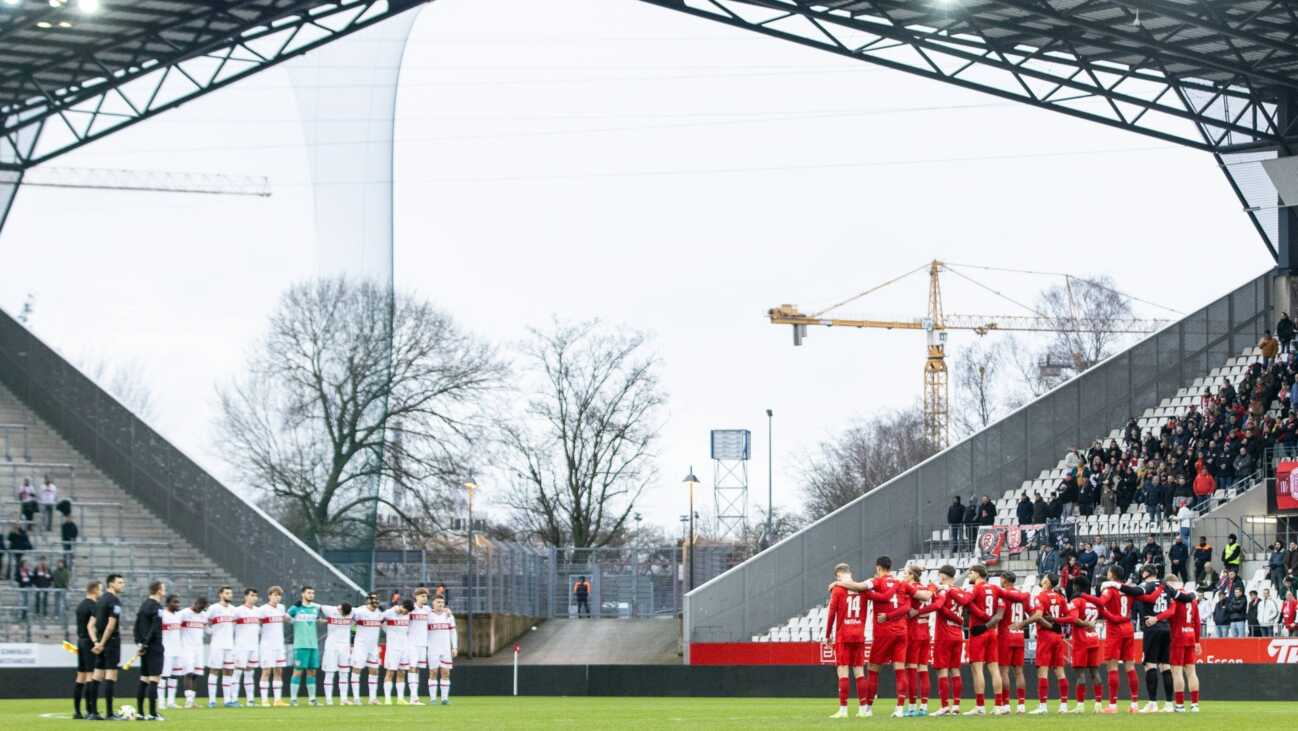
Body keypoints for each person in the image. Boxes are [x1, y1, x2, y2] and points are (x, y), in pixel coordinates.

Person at [829, 556, 918, 718]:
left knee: (869, 670)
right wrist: (938, 589)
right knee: (897, 670)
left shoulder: (872, 583)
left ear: (878, 568)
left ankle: (859, 708)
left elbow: (832, 613)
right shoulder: (901, 583)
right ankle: (898, 709)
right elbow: (919, 599)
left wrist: (837, 584)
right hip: (898, 631)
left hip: (874, 633)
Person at [1014, 573, 1081, 714]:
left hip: (1045, 636)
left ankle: (1043, 706)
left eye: (1044, 577)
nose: (1042, 579)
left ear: (1047, 582)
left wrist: (1022, 623)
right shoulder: (1060, 598)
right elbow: (1069, 616)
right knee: (1060, 671)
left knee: (1043, 671)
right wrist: (1057, 622)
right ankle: (1063, 705)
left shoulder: (1041, 597)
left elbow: (1038, 616)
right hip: (1058, 636)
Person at [1081, 565, 1141, 713]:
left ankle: (1113, 705)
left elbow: (1101, 602)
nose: (1106, 573)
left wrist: (1083, 595)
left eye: (1108, 571)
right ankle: (1134, 704)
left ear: (1112, 575)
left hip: (1115, 629)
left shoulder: (1109, 590)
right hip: (1128, 626)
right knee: (1130, 666)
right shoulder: (1128, 589)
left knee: (1112, 667)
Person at [951, 565, 1005, 716]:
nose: (969, 576)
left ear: (977, 574)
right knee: (994, 669)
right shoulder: (995, 588)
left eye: (971, 573)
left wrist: (952, 590)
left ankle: (980, 706)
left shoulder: (976, 589)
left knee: (977, 669)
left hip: (978, 632)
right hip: (992, 631)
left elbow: (965, 600)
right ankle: (998, 706)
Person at [1146, 575, 1200, 713]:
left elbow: (1171, 612)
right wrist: (1197, 641)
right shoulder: (1191, 598)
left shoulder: (1175, 597)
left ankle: (1180, 705)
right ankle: (1195, 705)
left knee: (1176, 672)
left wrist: (1156, 618)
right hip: (1190, 635)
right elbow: (1197, 621)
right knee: (1191, 672)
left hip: (1178, 637)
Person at [825, 562, 869, 719]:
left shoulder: (838, 590)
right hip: (859, 634)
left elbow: (831, 614)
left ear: (838, 575)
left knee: (843, 670)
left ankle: (843, 710)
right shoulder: (862, 589)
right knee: (859, 672)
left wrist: (827, 635)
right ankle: (863, 709)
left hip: (844, 635)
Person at [926, 565, 966, 717]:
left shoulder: (943, 590)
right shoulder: (959, 591)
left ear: (942, 576)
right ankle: (956, 705)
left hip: (944, 635)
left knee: (942, 670)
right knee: (955, 670)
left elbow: (938, 606)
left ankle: (944, 706)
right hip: (958, 634)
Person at [902, 566, 938, 717]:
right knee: (923, 670)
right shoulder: (927, 588)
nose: (904, 576)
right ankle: (923, 706)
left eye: (905, 574)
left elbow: (907, 611)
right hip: (925, 632)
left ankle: (911, 707)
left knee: (911, 669)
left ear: (911, 575)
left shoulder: (911, 590)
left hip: (913, 633)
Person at [995, 572, 1032, 714]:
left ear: (1004, 580)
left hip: (1005, 635)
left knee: (1003, 671)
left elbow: (1000, 614)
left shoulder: (1004, 595)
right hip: (1019, 635)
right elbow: (1033, 613)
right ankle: (1021, 705)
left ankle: (1006, 704)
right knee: (1019, 672)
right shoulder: (1022, 596)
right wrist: (1022, 623)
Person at [91, 573, 126, 720]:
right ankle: (110, 713)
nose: (122, 585)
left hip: (100, 642)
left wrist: (96, 643)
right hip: (110, 642)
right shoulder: (114, 601)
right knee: (111, 676)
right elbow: (111, 625)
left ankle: (93, 712)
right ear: (111, 584)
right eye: (120, 582)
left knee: (97, 676)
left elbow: (90, 625)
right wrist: (103, 643)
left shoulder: (99, 601)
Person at [1068, 577, 1106, 714]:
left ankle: (1080, 706)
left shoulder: (1076, 601)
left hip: (1081, 640)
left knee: (1081, 675)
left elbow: (1074, 619)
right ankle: (1098, 704)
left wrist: (1086, 624)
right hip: (1094, 639)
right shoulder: (1093, 602)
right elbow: (1102, 615)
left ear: (1077, 586)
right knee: (1095, 672)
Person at [133, 580, 165, 721]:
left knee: (144, 679)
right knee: (154, 680)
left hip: (144, 647)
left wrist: (139, 643)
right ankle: (152, 713)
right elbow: (155, 626)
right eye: (163, 588)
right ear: (158, 590)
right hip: (154, 646)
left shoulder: (144, 605)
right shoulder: (157, 607)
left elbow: (136, 626)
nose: (164, 591)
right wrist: (146, 643)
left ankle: (140, 713)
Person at [73, 580, 102, 720]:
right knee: (91, 676)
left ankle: (77, 711)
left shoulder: (80, 606)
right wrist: (96, 642)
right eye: (100, 589)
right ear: (95, 590)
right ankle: (90, 710)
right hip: (90, 643)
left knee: (80, 677)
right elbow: (92, 626)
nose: (101, 592)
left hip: (80, 642)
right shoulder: (94, 606)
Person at [287, 585, 321, 706]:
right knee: (298, 671)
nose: (311, 595)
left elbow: (318, 620)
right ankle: (293, 699)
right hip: (301, 644)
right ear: (303, 594)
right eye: (309, 593)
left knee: (312, 671)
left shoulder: (315, 608)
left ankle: (312, 699)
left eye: (313, 593)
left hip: (313, 645)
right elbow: (286, 617)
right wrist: (293, 608)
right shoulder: (296, 608)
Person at [204, 585, 237, 708]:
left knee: (228, 671)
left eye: (230, 593)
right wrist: (210, 631)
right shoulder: (214, 608)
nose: (229, 595)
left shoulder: (234, 609)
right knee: (214, 670)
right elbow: (204, 621)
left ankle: (227, 700)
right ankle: (212, 700)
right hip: (217, 645)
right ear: (221, 594)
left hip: (229, 644)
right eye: (227, 593)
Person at [257, 586, 289, 706]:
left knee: (278, 671)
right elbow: (257, 624)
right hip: (267, 645)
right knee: (266, 671)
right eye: (275, 595)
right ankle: (264, 700)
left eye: (279, 595)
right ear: (269, 595)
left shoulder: (281, 608)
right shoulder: (263, 609)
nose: (277, 597)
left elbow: (288, 618)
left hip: (279, 645)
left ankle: (277, 700)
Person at [350, 593, 383, 704]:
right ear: (368, 600)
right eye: (374, 599)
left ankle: (372, 698)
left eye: (377, 599)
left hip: (373, 646)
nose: (376, 601)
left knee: (374, 670)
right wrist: (352, 635)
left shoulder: (379, 613)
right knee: (357, 669)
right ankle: (356, 698)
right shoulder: (359, 611)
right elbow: (349, 619)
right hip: (361, 645)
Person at [319, 601, 354, 705]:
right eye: (343, 613)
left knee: (344, 673)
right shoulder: (329, 610)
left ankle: (344, 699)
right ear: (340, 609)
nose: (344, 616)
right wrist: (319, 619)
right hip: (331, 646)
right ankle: (329, 699)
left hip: (345, 646)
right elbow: (317, 607)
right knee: (329, 672)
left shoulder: (353, 612)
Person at [177, 596, 209, 708]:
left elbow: (207, 630)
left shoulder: (204, 615)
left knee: (196, 674)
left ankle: (192, 700)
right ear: (195, 603)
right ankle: (188, 700)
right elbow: (175, 627)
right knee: (188, 673)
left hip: (199, 648)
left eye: (202, 608)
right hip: (186, 648)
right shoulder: (184, 613)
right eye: (199, 606)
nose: (200, 609)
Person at [380, 598, 413, 704]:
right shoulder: (390, 612)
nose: (406, 613)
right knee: (390, 672)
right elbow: (379, 620)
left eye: (408, 612)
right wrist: (386, 629)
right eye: (406, 610)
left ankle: (400, 698)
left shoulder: (408, 615)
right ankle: (388, 699)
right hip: (393, 647)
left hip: (404, 647)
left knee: (402, 672)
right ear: (402, 606)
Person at [428, 594, 458, 706]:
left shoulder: (449, 616)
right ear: (433, 604)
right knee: (433, 672)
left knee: (445, 672)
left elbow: (453, 632)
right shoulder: (428, 616)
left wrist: (454, 647)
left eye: (442, 602)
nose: (440, 604)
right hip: (432, 648)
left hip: (445, 648)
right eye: (438, 602)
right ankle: (433, 699)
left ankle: (444, 699)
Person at [159, 594, 185, 711]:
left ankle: (171, 701)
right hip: (166, 651)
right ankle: (161, 702)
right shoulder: (163, 615)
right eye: (175, 602)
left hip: (177, 651)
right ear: (168, 603)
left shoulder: (179, 615)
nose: (177, 604)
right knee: (163, 677)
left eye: (178, 602)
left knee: (174, 677)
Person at [405, 587, 431, 704]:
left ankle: (415, 697)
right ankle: (413, 697)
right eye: (422, 596)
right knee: (412, 668)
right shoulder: (411, 609)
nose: (425, 598)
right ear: (416, 597)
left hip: (423, 643)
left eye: (426, 596)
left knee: (418, 670)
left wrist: (446, 611)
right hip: (412, 643)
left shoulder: (428, 610)